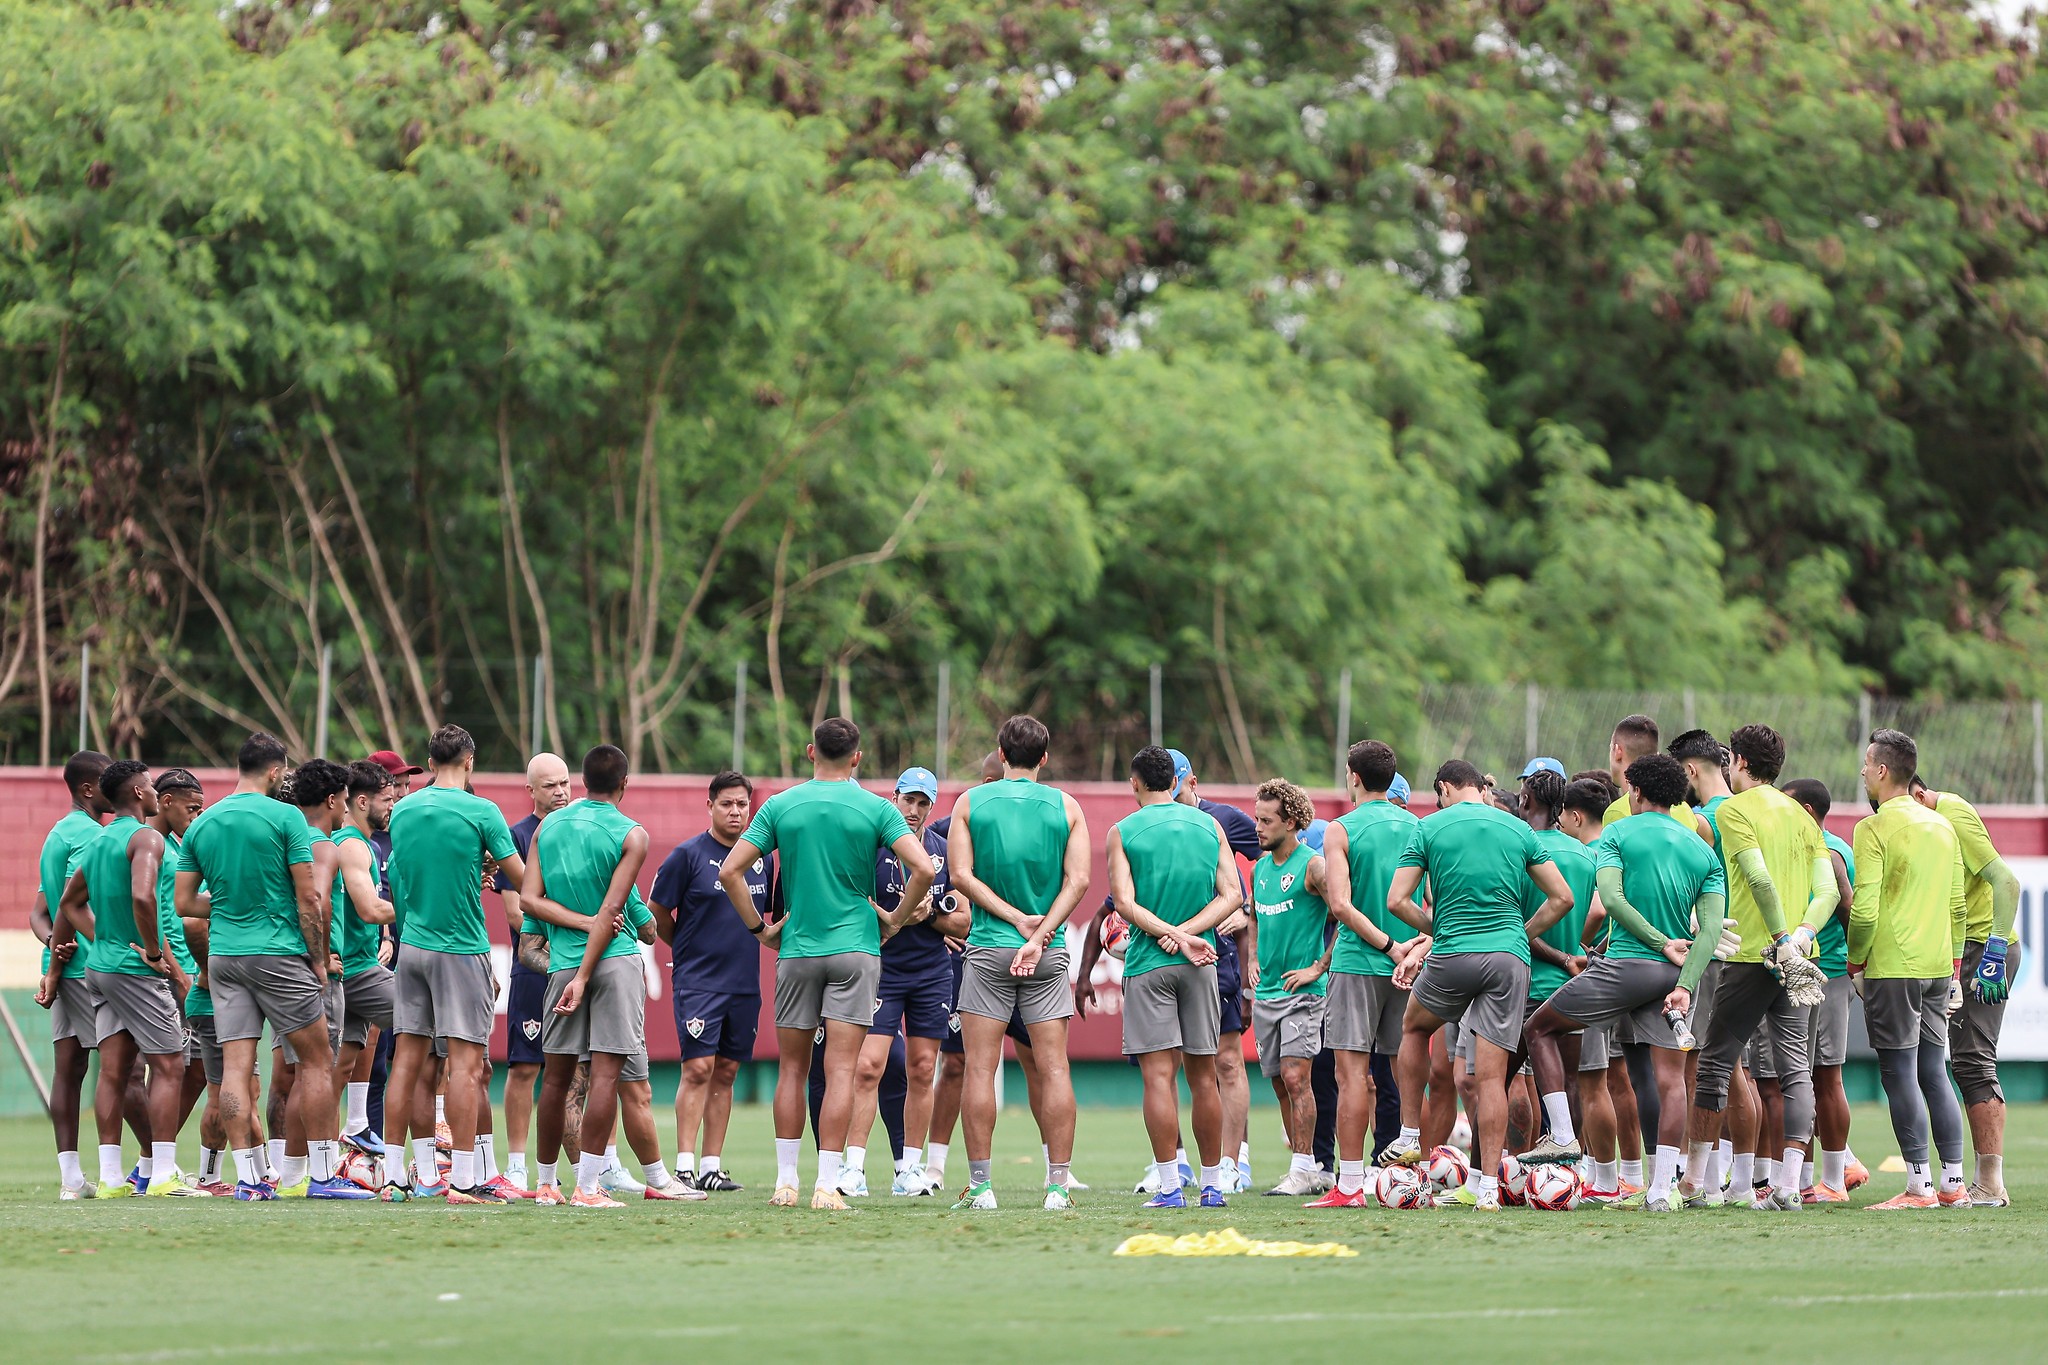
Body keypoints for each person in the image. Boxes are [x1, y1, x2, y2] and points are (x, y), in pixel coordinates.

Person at [718, 717, 932, 1210]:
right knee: (840, 1071)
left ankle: (785, 1183)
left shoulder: (780, 805)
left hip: (797, 950)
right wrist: (895, 920)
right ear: (857, 758)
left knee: (792, 1069)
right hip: (856, 950)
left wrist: (760, 929)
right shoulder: (877, 807)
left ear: (810, 752)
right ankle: (826, 1186)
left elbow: (730, 871)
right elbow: (922, 867)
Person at [1522, 755, 1723, 1211]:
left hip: (1624, 968)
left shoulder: (1618, 833)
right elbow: (1710, 930)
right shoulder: (1702, 850)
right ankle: (1660, 1190)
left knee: (1539, 1028)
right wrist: (1685, 982)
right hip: (1674, 976)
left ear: (1635, 791)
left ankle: (1563, 1136)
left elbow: (1610, 900)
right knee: (1669, 1080)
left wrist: (1657, 942)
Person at [1380, 759, 1573, 1211]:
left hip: (1453, 952)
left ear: (1445, 788)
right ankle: (1488, 1188)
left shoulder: (1429, 827)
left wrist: (1436, 926)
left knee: (1414, 1028)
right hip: (1508, 959)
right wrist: (1521, 934)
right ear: (1479, 788)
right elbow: (1562, 897)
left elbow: (1396, 900)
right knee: (1491, 1078)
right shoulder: (1518, 829)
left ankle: (1408, 1134)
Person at [175, 734, 356, 1200]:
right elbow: (309, 897)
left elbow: (184, 903)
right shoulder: (286, 816)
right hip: (277, 954)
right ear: (275, 772)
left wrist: (232, 905)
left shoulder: (202, 823)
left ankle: (250, 1181)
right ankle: (323, 1175)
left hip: (225, 957)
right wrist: (318, 961)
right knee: (316, 1061)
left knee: (235, 1068)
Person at [524, 745, 698, 1208]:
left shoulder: (547, 827)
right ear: (624, 784)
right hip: (612, 965)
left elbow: (529, 901)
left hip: (562, 963)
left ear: (581, 782)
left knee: (555, 1079)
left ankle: (546, 1184)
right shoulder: (631, 834)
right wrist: (585, 971)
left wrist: (576, 950)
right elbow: (612, 911)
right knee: (605, 1078)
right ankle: (587, 1187)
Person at [1677, 725, 1835, 1212]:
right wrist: (1802, 936)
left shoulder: (1735, 810)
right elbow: (1828, 891)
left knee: (1714, 1063)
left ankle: (1695, 1183)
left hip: (1752, 955)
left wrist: (1780, 938)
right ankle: (1788, 1186)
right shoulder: (1801, 815)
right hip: (1799, 956)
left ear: (1740, 762)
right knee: (1796, 1070)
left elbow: (1759, 879)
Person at [947, 716, 1089, 1212]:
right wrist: (1041, 932)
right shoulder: (1067, 806)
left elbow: (960, 875)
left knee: (979, 1070)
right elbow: (1079, 881)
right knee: (1054, 1068)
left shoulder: (970, 802)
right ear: (1044, 758)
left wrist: (1013, 920)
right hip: (1047, 952)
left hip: (989, 948)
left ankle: (981, 1188)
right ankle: (1058, 1188)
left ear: (1001, 754)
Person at [379, 725, 523, 1204]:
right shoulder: (482, 810)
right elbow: (521, 879)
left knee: (405, 1063)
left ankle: (394, 1177)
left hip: (412, 948)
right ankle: (462, 1178)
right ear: (469, 762)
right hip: (460, 948)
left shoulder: (403, 810)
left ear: (430, 761)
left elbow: (405, 877)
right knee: (465, 1067)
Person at [1109, 746, 1243, 1209]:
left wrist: (1171, 933)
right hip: (1201, 962)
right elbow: (1233, 895)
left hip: (1149, 963)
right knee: (1204, 1077)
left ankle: (1169, 1187)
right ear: (1175, 781)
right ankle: (1212, 1187)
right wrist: (1188, 934)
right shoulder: (1209, 826)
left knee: (1158, 1078)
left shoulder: (1122, 830)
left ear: (1135, 783)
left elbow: (1124, 904)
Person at [57, 761, 190, 1197]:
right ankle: (164, 1173)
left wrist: (105, 939)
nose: (154, 791)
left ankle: (112, 1179)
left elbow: (70, 903)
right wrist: (152, 952)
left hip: (100, 968)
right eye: (149, 785)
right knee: (169, 1064)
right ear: (137, 792)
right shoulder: (146, 837)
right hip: (135, 970)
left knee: (112, 1071)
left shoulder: (99, 840)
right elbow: (142, 895)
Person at [1852, 729, 1972, 1210]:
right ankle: (1953, 1184)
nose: (1863, 771)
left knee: (1899, 1074)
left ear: (1882, 770)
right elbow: (1958, 906)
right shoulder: (1942, 826)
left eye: (1867, 763)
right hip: (1938, 966)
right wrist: (1955, 967)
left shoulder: (1873, 828)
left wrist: (1855, 961)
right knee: (1935, 1072)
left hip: (1893, 968)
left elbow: (1864, 912)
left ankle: (1919, 1187)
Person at [651, 770, 775, 1194]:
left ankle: (710, 1167)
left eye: (742, 804)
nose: (735, 811)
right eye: (727, 804)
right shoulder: (687, 855)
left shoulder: (762, 858)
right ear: (710, 806)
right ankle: (684, 1167)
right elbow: (656, 912)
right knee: (698, 1068)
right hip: (699, 982)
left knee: (726, 1071)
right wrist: (685, 948)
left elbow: (768, 916)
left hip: (744, 984)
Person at [1306, 742, 1418, 1209]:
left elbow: (1339, 904)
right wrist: (1412, 947)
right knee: (1409, 1074)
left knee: (1352, 1076)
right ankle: (1415, 1181)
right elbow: (1436, 903)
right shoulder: (1418, 826)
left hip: (1358, 963)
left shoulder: (1341, 828)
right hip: (1412, 965)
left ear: (1353, 775)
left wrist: (1388, 946)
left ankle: (1350, 1186)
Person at [845, 765, 965, 1199]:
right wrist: (891, 918)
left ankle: (910, 1170)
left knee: (923, 1068)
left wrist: (928, 914)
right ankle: (853, 1168)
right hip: (883, 969)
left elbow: (963, 921)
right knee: (868, 1067)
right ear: (893, 797)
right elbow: (854, 903)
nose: (913, 809)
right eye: (908, 800)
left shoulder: (942, 850)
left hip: (931, 972)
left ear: (932, 806)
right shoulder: (872, 845)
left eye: (922, 803)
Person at [1910, 775, 2023, 1206]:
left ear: (1919, 795)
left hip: (1983, 949)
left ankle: (1990, 1184)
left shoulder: (1952, 813)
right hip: (1964, 949)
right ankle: (1983, 1180)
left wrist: (1993, 950)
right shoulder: (1930, 820)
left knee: (1974, 1062)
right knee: (1964, 1062)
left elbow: (2006, 881)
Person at [1167, 750, 1260, 1191]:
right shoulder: (1149, 824)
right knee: (1167, 1064)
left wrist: (1249, 909)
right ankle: (1172, 1165)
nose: (1170, 799)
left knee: (1225, 1061)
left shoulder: (1222, 819)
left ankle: (1233, 1162)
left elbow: (1282, 855)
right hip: (1165, 958)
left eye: (1176, 790)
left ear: (1192, 781)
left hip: (1216, 958)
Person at [1512, 770, 1606, 1189]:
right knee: (1570, 1083)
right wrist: (1581, 952)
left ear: (1527, 800)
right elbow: (1600, 911)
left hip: (1526, 985)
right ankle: (1572, 1174)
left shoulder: (1522, 849)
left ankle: (1499, 1175)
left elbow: (1517, 927)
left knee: (1501, 1082)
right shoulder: (1586, 855)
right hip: (1572, 986)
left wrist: (1562, 955)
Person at [1241, 779, 1331, 1197]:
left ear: (1291, 822)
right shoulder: (1259, 869)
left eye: (1266, 821)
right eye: (1257, 819)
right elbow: (1254, 917)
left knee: (1297, 1078)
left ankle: (1302, 1167)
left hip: (1302, 994)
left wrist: (1318, 967)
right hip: (1268, 994)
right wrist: (1253, 959)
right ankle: (1306, 1167)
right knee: (1280, 1082)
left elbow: (1345, 915)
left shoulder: (1314, 866)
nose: (1257, 828)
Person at [31, 750, 115, 1199]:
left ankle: (71, 1179)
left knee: (69, 1069)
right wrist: (64, 954)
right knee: (123, 1067)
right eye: (107, 780)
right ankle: (137, 1169)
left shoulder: (56, 833)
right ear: (87, 789)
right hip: (87, 968)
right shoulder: (89, 834)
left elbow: (38, 913)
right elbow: (70, 900)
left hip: (62, 966)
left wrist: (52, 946)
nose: (115, 786)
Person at [1779, 777, 1866, 1202]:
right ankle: (1808, 1180)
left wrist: (1854, 965)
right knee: (1805, 1077)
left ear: (1808, 811)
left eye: (1788, 806)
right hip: (1811, 972)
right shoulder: (1813, 848)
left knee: (1826, 1075)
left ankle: (1835, 1178)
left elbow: (1846, 904)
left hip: (1827, 973)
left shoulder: (1829, 851)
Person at [496, 753, 572, 1193]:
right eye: (549, 785)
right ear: (530, 791)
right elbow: (515, 913)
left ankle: (601, 1163)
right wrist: (567, 932)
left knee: (588, 1068)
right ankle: (517, 1164)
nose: (560, 792)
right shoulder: (518, 836)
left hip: (579, 966)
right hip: (535, 968)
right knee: (526, 1066)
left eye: (565, 783)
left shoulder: (581, 829)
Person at [333, 762, 398, 1160]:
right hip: (352, 973)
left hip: (357, 967)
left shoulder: (368, 845)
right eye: (387, 798)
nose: (393, 805)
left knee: (338, 1071)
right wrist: (428, 905)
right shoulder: (352, 845)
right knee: (430, 1021)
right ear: (361, 801)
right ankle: (435, 1144)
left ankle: (348, 1135)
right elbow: (370, 909)